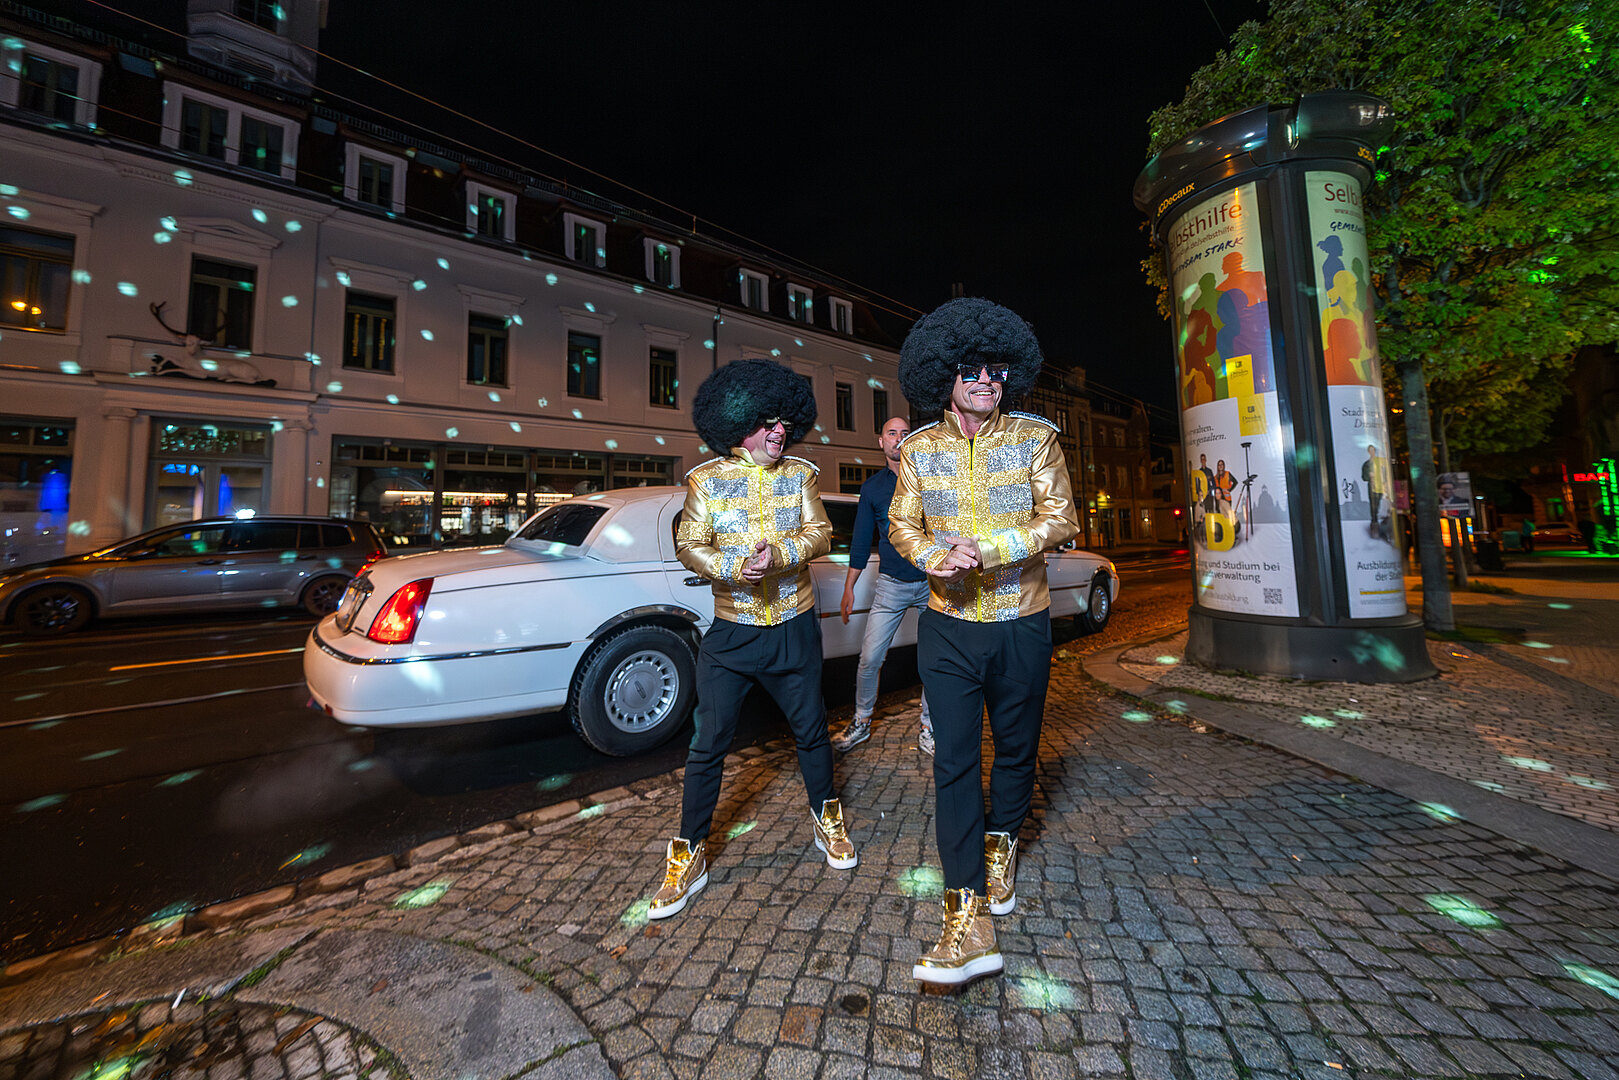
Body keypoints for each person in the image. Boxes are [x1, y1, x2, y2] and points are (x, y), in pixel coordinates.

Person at [889, 297, 1078, 987]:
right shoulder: (917, 450)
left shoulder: (1035, 439)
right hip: (948, 627)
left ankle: (1002, 842)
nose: (985, 381)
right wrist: (931, 557)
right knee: (954, 763)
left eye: (995, 370)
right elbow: (901, 526)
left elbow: (1062, 518)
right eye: (970, 369)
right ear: (944, 375)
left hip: (1022, 621)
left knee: (1018, 751)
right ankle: (964, 916)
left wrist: (992, 548)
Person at [647, 359, 856, 920]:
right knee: (707, 743)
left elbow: (821, 533)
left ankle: (827, 819)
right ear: (739, 423)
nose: (779, 430)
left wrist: (782, 554)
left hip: (793, 626)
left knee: (812, 732)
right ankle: (689, 855)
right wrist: (734, 566)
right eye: (767, 421)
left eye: (784, 421)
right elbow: (690, 545)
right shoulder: (706, 480)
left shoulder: (801, 475)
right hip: (733, 633)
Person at [830, 415, 935, 756]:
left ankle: (929, 726)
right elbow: (861, 541)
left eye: (905, 433)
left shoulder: (929, 481)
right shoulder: (873, 488)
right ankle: (861, 721)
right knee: (870, 658)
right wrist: (849, 587)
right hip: (891, 585)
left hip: (932, 583)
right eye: (892, 433)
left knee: (934, 660)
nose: (899, 438)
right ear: (882, 441)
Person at [1362, 444, 1387, 538]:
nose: (1372, 452)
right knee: (1373, 507)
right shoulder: (1367, 464)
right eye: (1370, 450)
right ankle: (1374, 525)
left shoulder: (1380, 462)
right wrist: (1369, 476)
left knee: (1378, 505)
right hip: (1372, 488)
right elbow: (1364, 477)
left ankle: (1379, 525)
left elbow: (1386, 473)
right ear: (1368, 452)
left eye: (1373, 450)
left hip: (1381, 487)